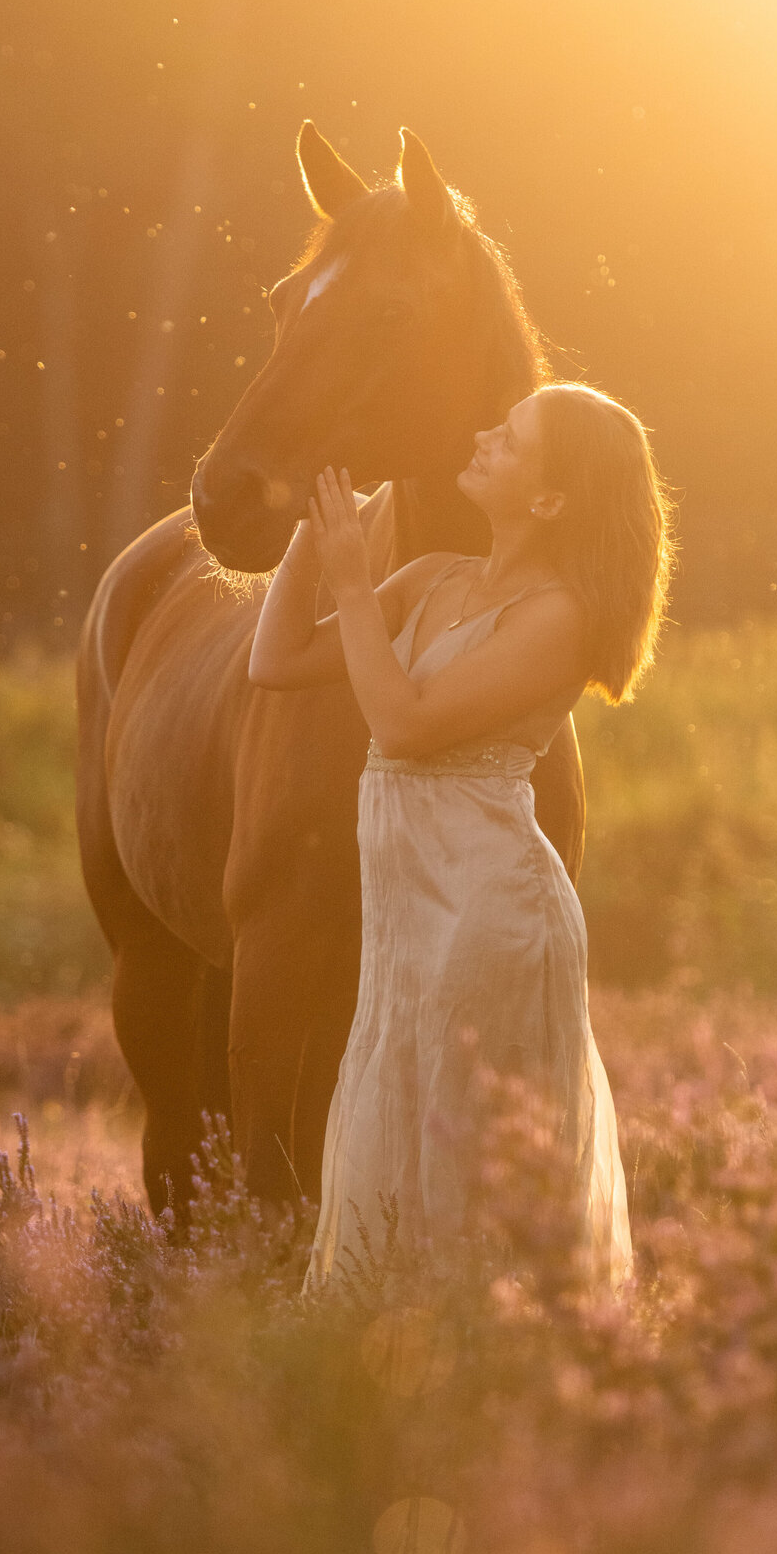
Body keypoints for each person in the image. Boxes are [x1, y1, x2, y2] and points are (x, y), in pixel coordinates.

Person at [248, 383, 674, 1297]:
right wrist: (313, 532)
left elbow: (402, 725)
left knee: (472, 1172)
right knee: (400, 1141)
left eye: (512, 439)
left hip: (494, 921)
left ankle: (491, 1382)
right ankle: (406, 1393)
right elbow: (274, 661)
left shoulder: (557, 618)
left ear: (551, 498)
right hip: (411, 927)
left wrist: (356, 580)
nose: (484, 433)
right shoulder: (434, 577)